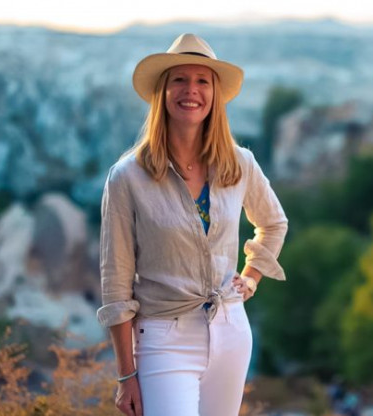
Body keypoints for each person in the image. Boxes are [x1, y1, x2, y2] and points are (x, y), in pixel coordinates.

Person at [96, 33, 288, 416]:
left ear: (215, 94)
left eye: (202, 81)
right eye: (179, 80)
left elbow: (273, 223)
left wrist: (251, 278)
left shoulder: (240, 163)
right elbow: (116, 281)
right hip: (163, 338)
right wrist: (125, 374)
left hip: (231, 330)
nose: (191, 90)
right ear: (162, 92)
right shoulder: (127, 177)